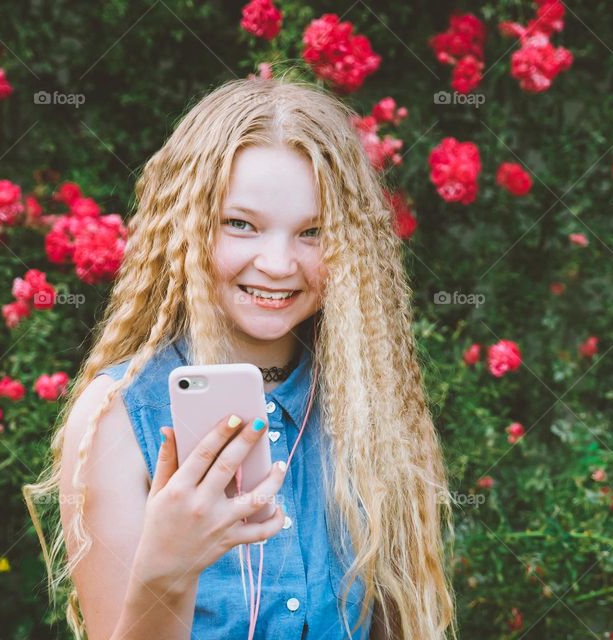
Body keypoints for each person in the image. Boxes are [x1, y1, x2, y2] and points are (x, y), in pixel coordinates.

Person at [23, 74, 456, 640]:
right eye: (241, 225)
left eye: (313, 232)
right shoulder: (116, 420)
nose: (277, 263)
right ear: (186, 226)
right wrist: (169, 567)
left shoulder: (366, 403)